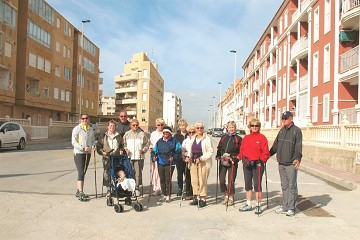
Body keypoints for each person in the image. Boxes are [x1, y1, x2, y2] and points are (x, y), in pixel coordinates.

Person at [270, 111, 302, 217]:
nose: (283, 120)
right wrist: (267, 155)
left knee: (292, 186)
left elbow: (298, 146)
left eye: (285, 119)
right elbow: (275, 146)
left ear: (291, 119)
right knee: (284, 186)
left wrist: (298, 158)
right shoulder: (281, 131)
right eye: (282, 119)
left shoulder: (296, 131)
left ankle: (291, 208)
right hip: (281, 162)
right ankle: (285, 206)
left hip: (291, 163)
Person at [238, 118, 270, 214]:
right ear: (249, 127)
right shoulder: (246, 138)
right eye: (252, 126)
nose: (254, 127)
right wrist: (238, 158)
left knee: (257, 185)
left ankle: (258, 205)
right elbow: (242, 152)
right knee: (248, 184)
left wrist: (262, 160)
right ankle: (248, 204)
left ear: (259, 127)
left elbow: (266, 153)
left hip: (258, 164)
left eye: (256, 126)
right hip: (247, 164)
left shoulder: (262, 138)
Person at [185, 121, 214, 208]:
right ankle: (196, 197)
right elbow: (190, 150)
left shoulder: (207, 138)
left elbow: (210, 151)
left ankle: (203, 198)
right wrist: (188, 157)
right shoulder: (193, 138)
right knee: (194, 180)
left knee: (202, 180)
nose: (199, 129)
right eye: (197, 128)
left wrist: (201, 158)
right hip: (193, 161)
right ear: (195, 129)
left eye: (201, 128)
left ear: (203, 129)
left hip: (203, 162)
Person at [151, 126, 181, 202]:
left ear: (170, 133)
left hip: (170, 162)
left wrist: (174, 157)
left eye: (167, 132)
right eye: (164, 132)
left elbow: (178, 151)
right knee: (162, 179)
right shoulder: (159, 141)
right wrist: (153, 156)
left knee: (168, 179)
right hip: (160, 161)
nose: (165, 134)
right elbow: (154, 150)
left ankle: (168, 195)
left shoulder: (175, 141)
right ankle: (164, 194)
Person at [216, 121, 242, 206]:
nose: (231, 129)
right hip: (223, 160)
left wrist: (235, 159)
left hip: (232, 161)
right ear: (227, 128)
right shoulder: (224, 137)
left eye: (233, 127)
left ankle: (231, 197)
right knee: (222, 179)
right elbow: (219, 147)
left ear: (235, 128)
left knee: (231, 180)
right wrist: (218, 155)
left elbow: (241, 151)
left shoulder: (238, 138)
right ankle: (225, 195)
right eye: (230, 127)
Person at [71, 114, 96, 200]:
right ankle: (81, 192)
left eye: (86, 118)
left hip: (87, 153)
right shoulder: (77, 129)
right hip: (79, 153)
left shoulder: (91, 129)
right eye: (83, 118)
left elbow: (93, 140)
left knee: (83, 172)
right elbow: (73, 142)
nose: (85, 120)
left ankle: (78, 191)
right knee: (81, 172)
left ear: (89, 119)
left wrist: (93, 145)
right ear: (80, 120)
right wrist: (82, 148)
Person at [96, 120, 123, 197]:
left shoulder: (118, 136)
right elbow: (99, 146)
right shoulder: (103, 136)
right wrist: (102, 152)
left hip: (116, 157)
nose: (112, 127)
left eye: (113, 126)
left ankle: (116, 188)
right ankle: (108, 190)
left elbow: (121, 145)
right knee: (107, 173)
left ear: (115, 126)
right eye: (110, 126)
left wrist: (121, 150)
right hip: (107, 158)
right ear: (108, 127)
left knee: (116, 172)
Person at [123, 119, 148, 196]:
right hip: (130, 157)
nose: (135, 126)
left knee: (138, 173)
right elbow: (124, 144)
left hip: (138, 157)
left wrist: (143, 150)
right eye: (133, 125)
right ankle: (131, 188)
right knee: (130, 173)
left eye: (137, 125)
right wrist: (126, 150)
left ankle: (136, 188)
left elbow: (147, 144)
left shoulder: (142, 134)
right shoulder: (127, 134)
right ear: (131, 126)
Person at [149, 118, 165, 196]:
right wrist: (152, 151)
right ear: (156, 125)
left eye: (162, 125)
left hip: (163, 155)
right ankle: (156, 188)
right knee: (155, 172)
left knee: (161, 173)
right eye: (158, 125)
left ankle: (162, 188)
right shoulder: (153, 134)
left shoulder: (165, 133)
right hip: (155, 155)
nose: (160, 126)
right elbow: (151, 144)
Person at [174, 119, 188, 197]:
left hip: (187, 157)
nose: (182, 127)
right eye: (181, 125)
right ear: (179, 126)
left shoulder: (189, 134)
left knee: (187, 174)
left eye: (184, 125)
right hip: (179, 158)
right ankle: (180, 188)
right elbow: (174, 146)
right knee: (179, 174)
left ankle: (187, 188)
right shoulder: (176, 136)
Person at [181, 125, 195, 200]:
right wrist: (184, 156)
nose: (191, 134)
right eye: (190, 132)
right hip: (187, 161)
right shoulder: (185, 141)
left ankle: (194, 193)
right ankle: (188, 192)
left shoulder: (197, 140)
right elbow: (182, 150)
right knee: (187, 177)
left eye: (193, 132)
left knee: (194, 177)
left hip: (194, 161)